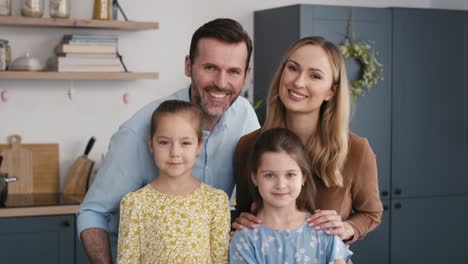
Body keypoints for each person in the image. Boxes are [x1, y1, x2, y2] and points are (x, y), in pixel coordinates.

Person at [77, 18, 260, 263]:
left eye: (233, 72)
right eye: (210, 68)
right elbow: (93, 212)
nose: (221, 82)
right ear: (188, 66)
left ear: (246, 75)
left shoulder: (245, 117)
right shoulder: (137, 132)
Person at [233, 36, 383, 246]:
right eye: (293, 68)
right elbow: (244, 211)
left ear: (331, 90)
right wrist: (241, 220)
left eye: (315, 75)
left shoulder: (357, 150)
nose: (298, 82)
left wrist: (347, 228)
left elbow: (371, 213)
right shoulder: (248, 146)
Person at [118, 100, 230, 263]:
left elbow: (221, 260)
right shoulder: (135, 204)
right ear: (151, 144)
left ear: (199, 145)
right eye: (164, 142)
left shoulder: (215, 201)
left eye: (185, 143)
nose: (175, 152)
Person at [229, 128, 352, 263]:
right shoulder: (244, 239)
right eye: (269, 175)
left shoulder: (324, 229)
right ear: (255, 178)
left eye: (290, 174)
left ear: (303, 177)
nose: (281, 185)